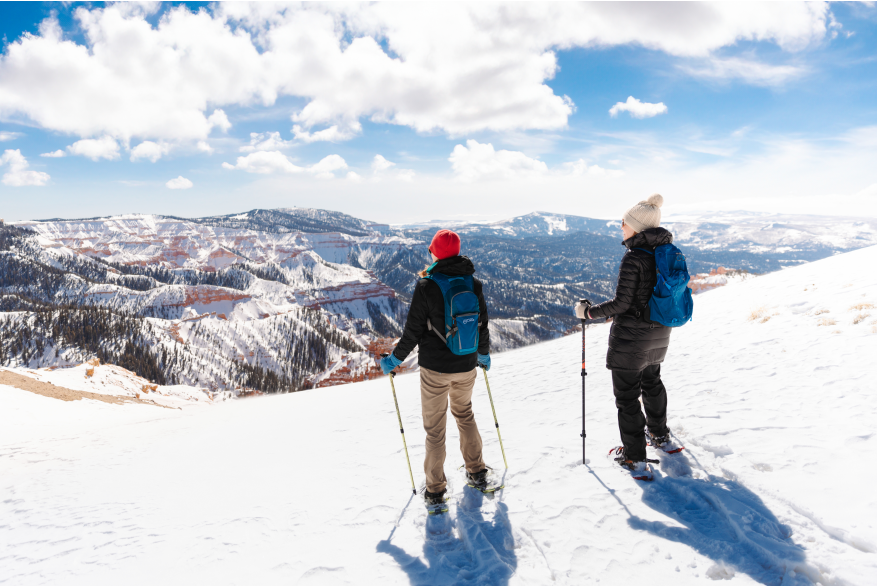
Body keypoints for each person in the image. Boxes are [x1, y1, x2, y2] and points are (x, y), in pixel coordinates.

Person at [379, 229, 492, 506]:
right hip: (467, 365)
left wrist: (394, 360)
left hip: (435, 372)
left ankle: (435, 490)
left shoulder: (426, 286)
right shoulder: (473, 283)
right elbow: (482, 324)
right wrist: (484, 355)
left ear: (436, 253)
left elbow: (412, 332)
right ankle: (477, 472)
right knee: (465, 415)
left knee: (435, 430)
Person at [574, 194, 679, 473]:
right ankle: (659, 434)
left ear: (637, 227)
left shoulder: (634, 258)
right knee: (652, 383)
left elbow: (621, 304)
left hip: (632, 337)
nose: (621, 226)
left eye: (624, 222)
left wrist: (587, 312)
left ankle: (634, 455)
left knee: (627, 396)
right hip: (659, 333)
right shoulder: (664, 253)